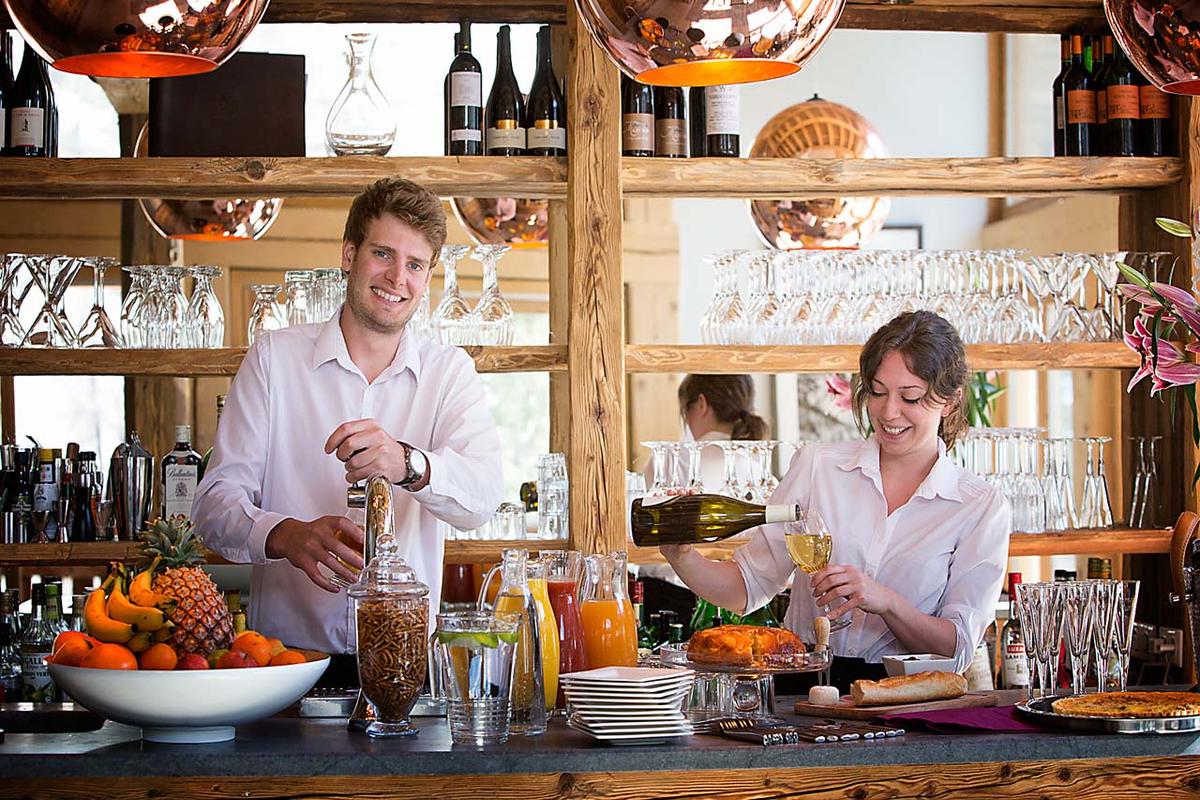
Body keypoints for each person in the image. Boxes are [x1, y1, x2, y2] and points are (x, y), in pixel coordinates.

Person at [194, 178, 504, 672]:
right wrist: (284, 535)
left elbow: (483, 498)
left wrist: (407, 463)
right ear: (348, 254)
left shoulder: (449, 372)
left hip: (405, 665)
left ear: (427, 277)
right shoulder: (274, 359)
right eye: (383, 254)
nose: (397, 277)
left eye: (415, 265)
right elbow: (213, 507)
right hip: (286, 665)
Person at [662, 311, 1010, 691]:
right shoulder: (818, 467)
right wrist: (682, 556)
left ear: (950, 401)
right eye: (877, 392)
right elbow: (746, 587)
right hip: (802, 691)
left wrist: (884, 601)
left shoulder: (979, 506)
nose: (888, 412)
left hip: (904, 699)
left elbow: (957, 649)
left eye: (910, 397)